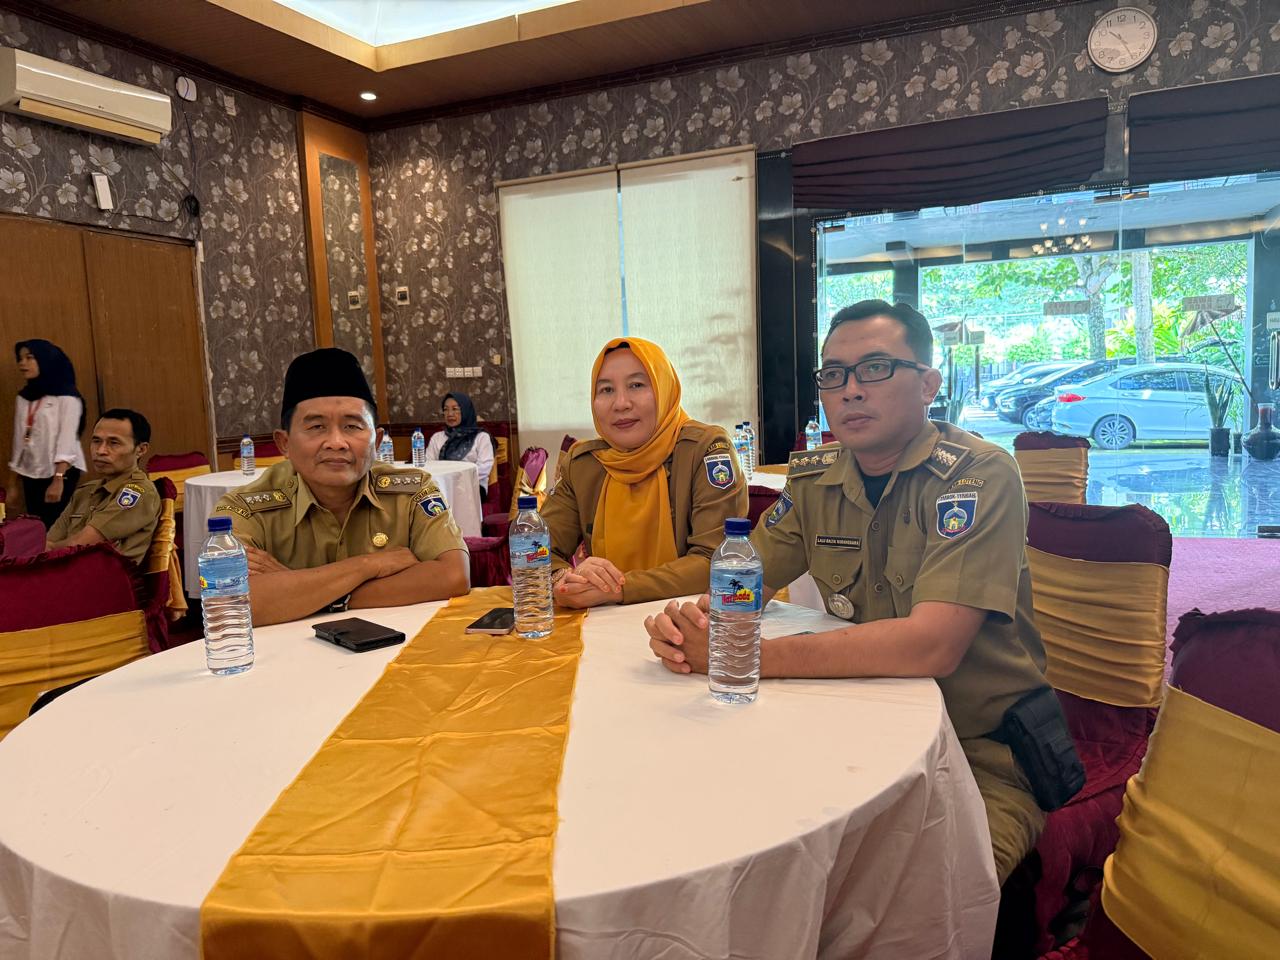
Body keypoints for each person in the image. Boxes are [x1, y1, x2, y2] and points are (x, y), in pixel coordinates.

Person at [644, 300, 1079, 885]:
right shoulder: (814, 478)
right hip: (852, 724)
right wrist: (699, 627)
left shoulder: (978, 475)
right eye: (833, 374)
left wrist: (743, 655)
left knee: (918, 900)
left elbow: (931, 645)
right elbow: (746, 582)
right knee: (735, 845)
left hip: (978, 750)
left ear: (928, 384)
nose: (849, 390)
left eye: (875, 368)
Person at [213, 347, 469, 626]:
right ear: (284, 443)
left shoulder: (412, 491)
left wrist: (301, 590)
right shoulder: (244, 508)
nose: (336, 442)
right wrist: (368, 565)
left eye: (352, 426)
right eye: (316, 427)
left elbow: (453, 576)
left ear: (377, 441)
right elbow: (230, 604)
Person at [542, 336, 747, 608]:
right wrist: (564, 579)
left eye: (636, 385)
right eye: (606, 390)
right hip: (602, 619)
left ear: (664, 389)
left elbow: (715, 560)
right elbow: (536, 550)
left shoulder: (705, 450)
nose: (621, 403)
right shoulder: (583, 465)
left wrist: (617, 588)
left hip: (689, 616)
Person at [47, 409, 161, 566]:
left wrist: (48, 549)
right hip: (65, 570)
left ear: (141, 449)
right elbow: (49, 540)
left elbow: (80, 545)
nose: (100, 451)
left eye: (114, 443)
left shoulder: (138, 492)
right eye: (96, 441)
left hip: (104, 577)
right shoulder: (84, 492)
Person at [6, 340, 87, 528]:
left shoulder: (67, 397)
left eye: (29, 358)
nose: (22, 363)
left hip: (62, 471)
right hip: (32, 470)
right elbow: (19, 440)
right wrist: (12, 483)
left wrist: (58, 479)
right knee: (37, 525)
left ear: (45, 360)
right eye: (20, 359)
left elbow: (67, 439)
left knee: (56, 526)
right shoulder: (24, 397)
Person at [424, 391, 494, 496]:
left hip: (472, 485)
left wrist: (455, 481)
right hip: (440, 485)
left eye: (455, 409)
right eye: (446, 409)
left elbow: (484, 468)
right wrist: (444, 481)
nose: (450, 414)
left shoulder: (481, 437)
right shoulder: (437, 437)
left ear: (466, 411)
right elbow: (429, 464)